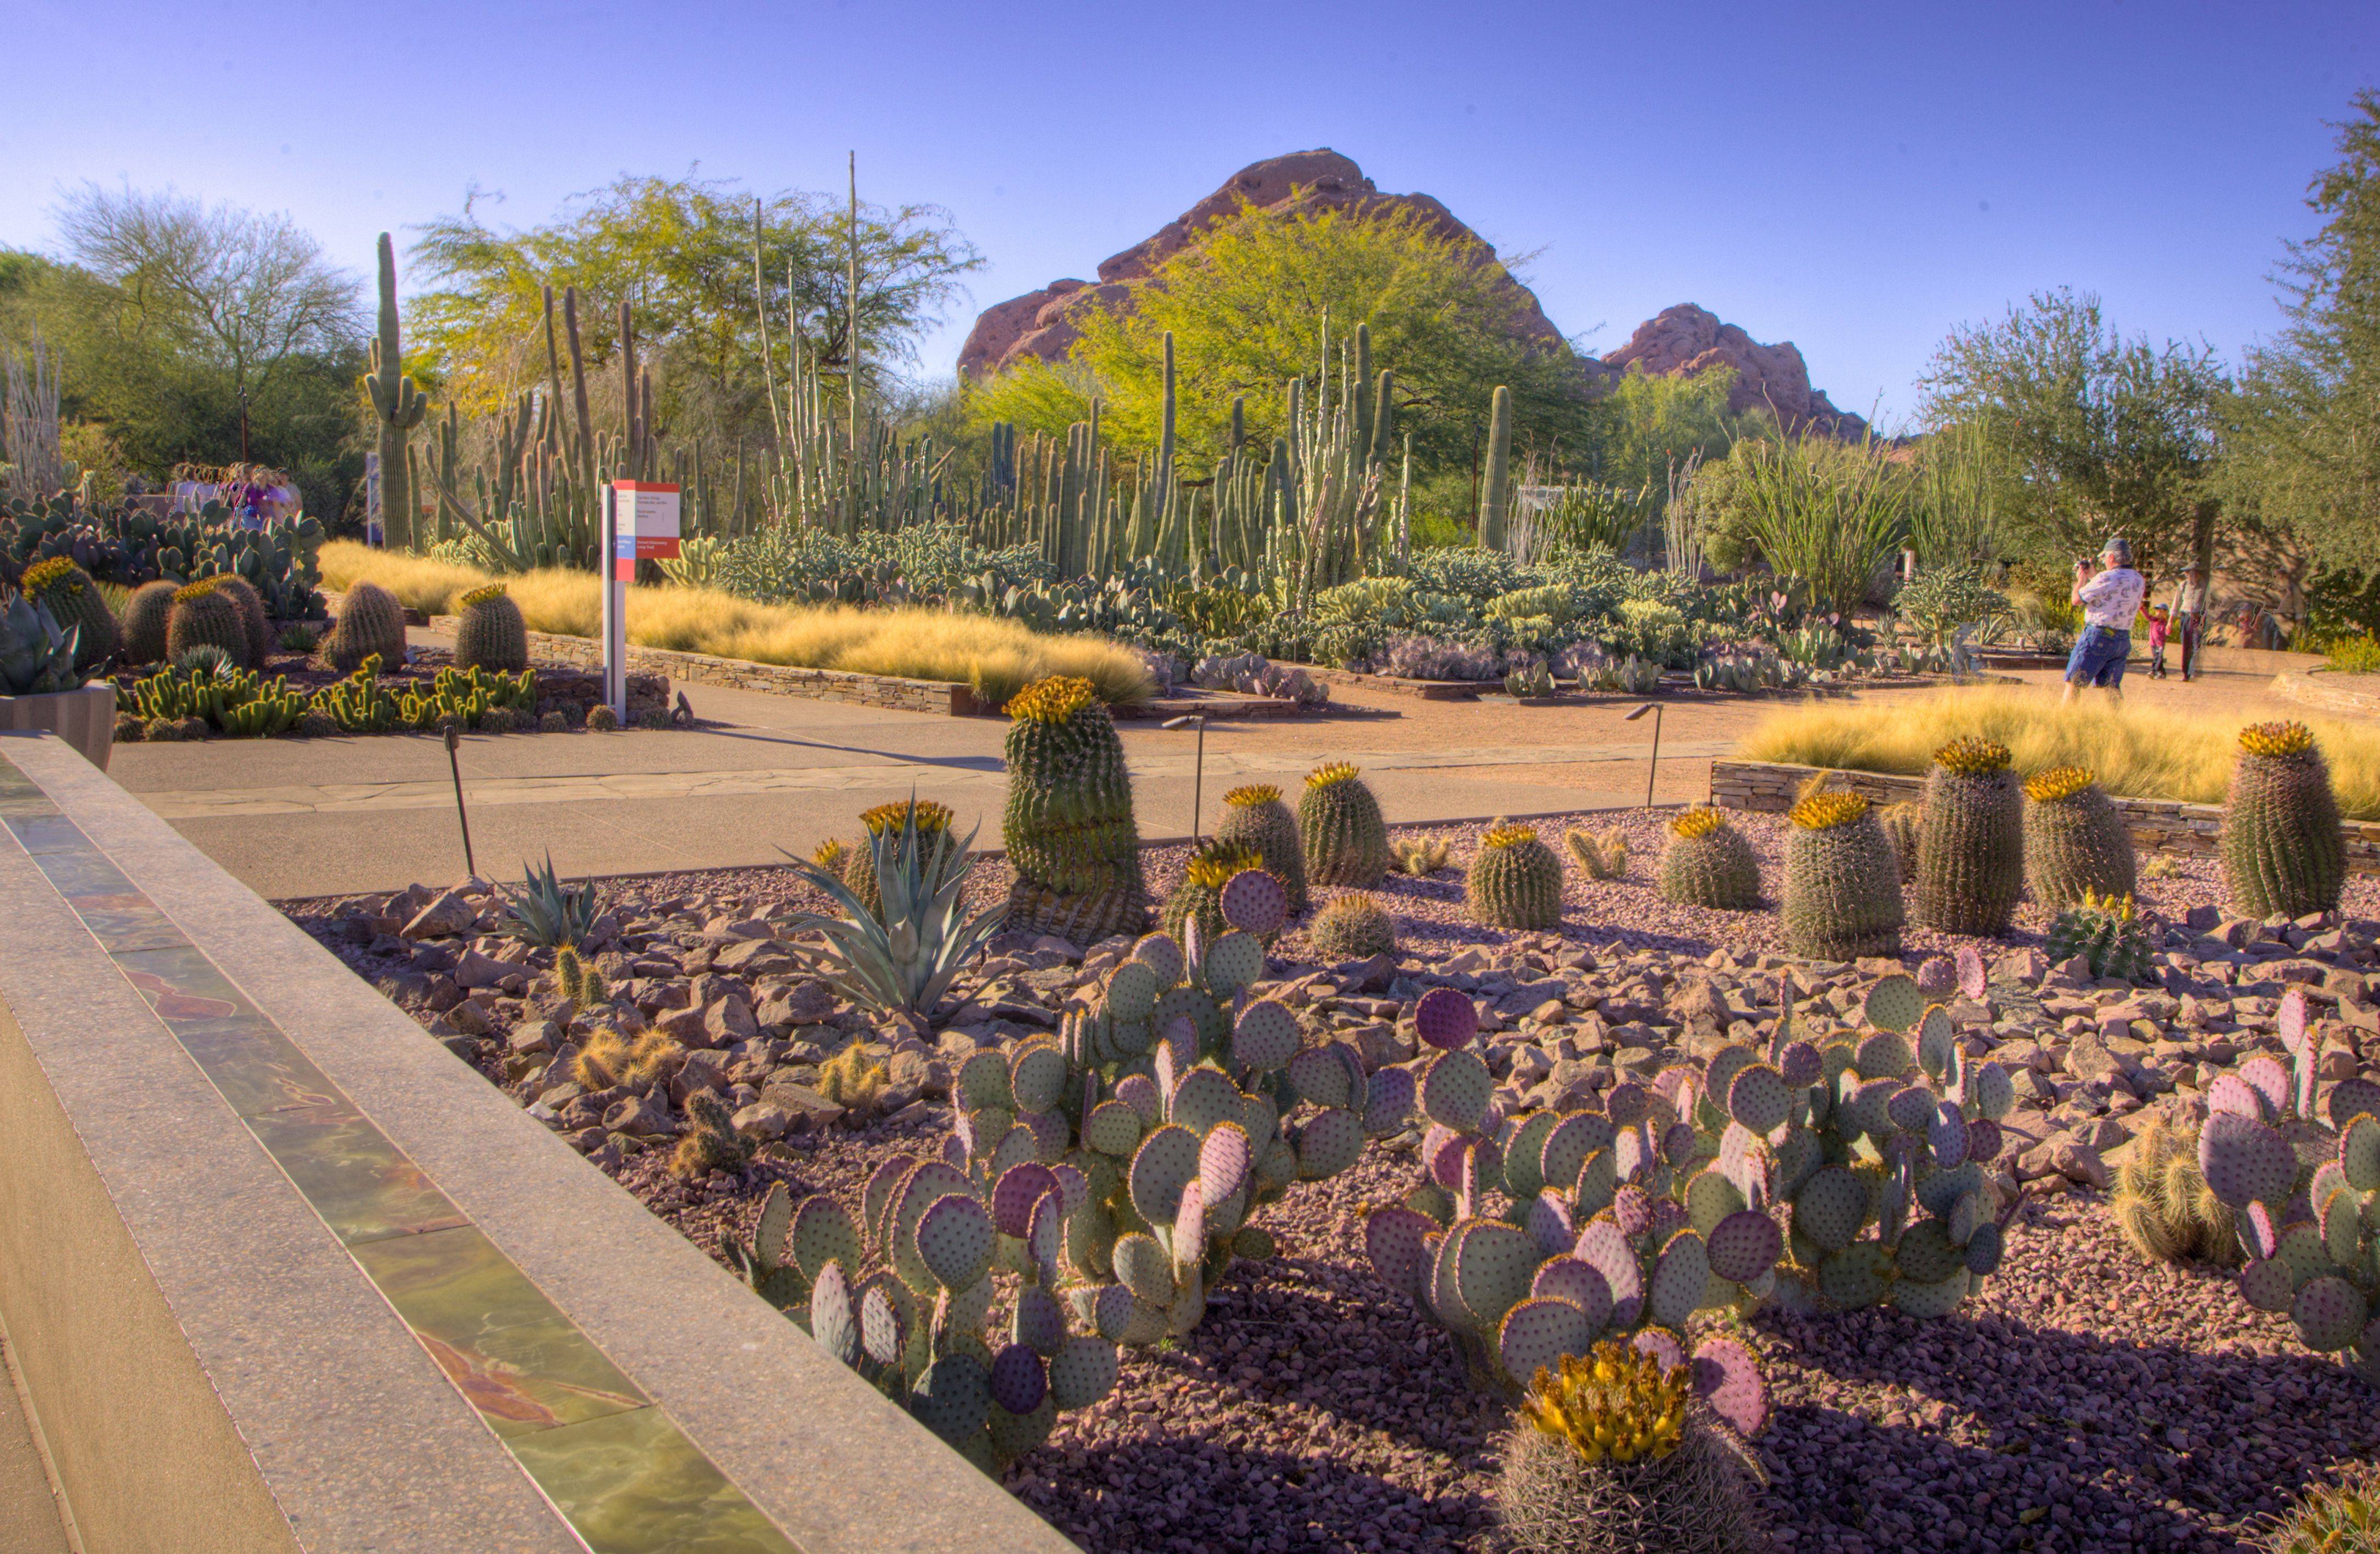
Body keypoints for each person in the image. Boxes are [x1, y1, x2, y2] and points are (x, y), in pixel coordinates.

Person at [2062, 536, 2146, 705]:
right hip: (2122, 638)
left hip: (2099, 636)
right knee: (2111, 686)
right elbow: (2113, 593)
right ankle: (2117, 724)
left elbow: (2077, 600)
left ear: (2112, 557)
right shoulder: (2138, 579)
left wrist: (2081, 580)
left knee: (2074, 681)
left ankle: (2066, 722)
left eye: (2104, 558)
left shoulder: (2106, 578)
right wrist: (2095, 576)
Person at [2170, 563, 2208, 680]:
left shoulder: (2205, 586)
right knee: (2186, 646)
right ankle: (2185, 673)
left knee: (2196, 645)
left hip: (2198, 617)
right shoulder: (2183, 585)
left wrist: (2204, 619)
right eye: (2188, 572)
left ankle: (2193, 672)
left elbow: (2209, 605)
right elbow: (2176, 604)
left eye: (2192, 572)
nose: (2189, 575)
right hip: (2185, 617)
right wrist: (2170, 622)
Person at [2146, 604, 2172, 679]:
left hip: (2160, 644)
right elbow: (2147, 616)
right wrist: (2141, 608)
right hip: (2153, 643)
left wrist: (2168, 631)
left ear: (2165, 613)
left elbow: (2167, 632)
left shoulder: (2165, 623)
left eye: (2161, 612)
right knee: (2157, 657)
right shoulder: (2153, 620)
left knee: (2157, 658)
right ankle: (2162, 673)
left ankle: (2153, 671)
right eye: (2157, 611)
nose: (2159, 613)